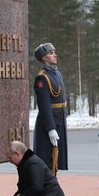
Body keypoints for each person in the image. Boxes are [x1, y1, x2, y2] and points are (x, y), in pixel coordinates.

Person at [32, 43, 68, 171]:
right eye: (51, 53)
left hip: (59, 120)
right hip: (49, 123)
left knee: (56, 160)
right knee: (47, 161)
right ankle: (47, 189)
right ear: (43, 58)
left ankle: (52, 187)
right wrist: (51, 129)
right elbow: (44, 105)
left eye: (54, 52)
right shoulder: (42, 77)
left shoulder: (56, 74)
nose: (55, 55)